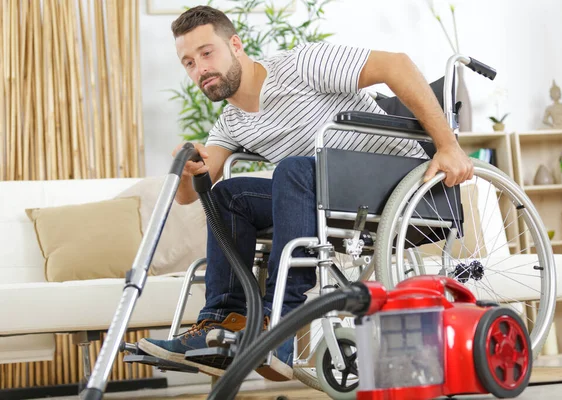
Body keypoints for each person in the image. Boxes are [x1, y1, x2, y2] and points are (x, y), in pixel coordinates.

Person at [138, 5, 474, 379]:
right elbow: (191, 195)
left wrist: (447, 145)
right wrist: (189, 171)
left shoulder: (301, 65)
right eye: (188, 63)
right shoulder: (230, 121)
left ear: (235, 44)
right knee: (226, 197)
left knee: (293, 169)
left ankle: (280, 322)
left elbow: (396, 64)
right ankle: (224, 324)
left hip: (386, 182)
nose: (200, 69)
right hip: (321, 197)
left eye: (206, 53)